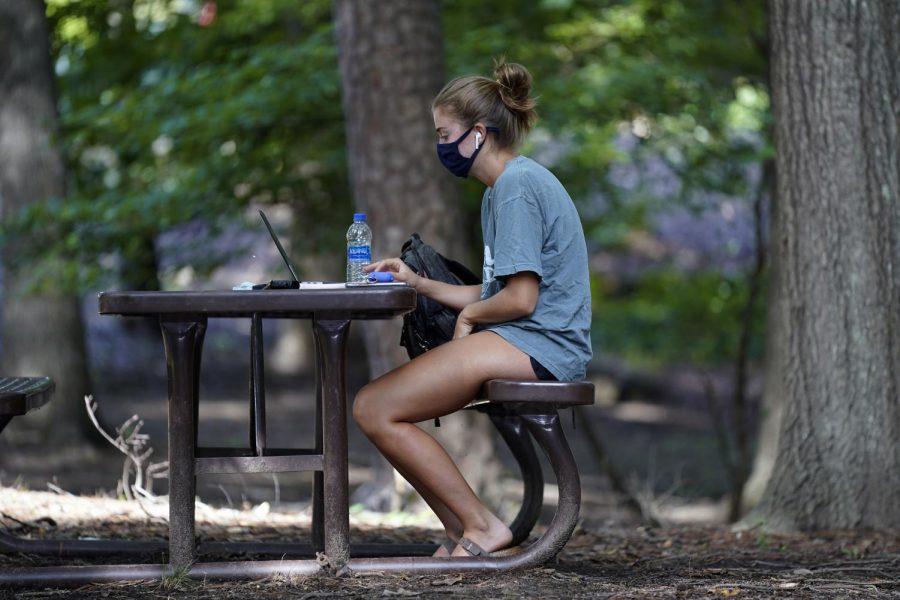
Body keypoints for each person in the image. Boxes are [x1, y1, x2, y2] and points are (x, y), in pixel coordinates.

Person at [355, 60, 592, 558]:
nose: (439, 144)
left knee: (375, 407)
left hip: (539, 345)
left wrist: (468, 320)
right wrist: (418, 282)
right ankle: (465, 531)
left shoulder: (515, 189)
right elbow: (493, 293)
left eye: (444, 133)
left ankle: (482, 528)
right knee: (376, 407)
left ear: (479, 133)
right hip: (524, 339)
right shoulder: (501, 190)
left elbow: (520, 300)